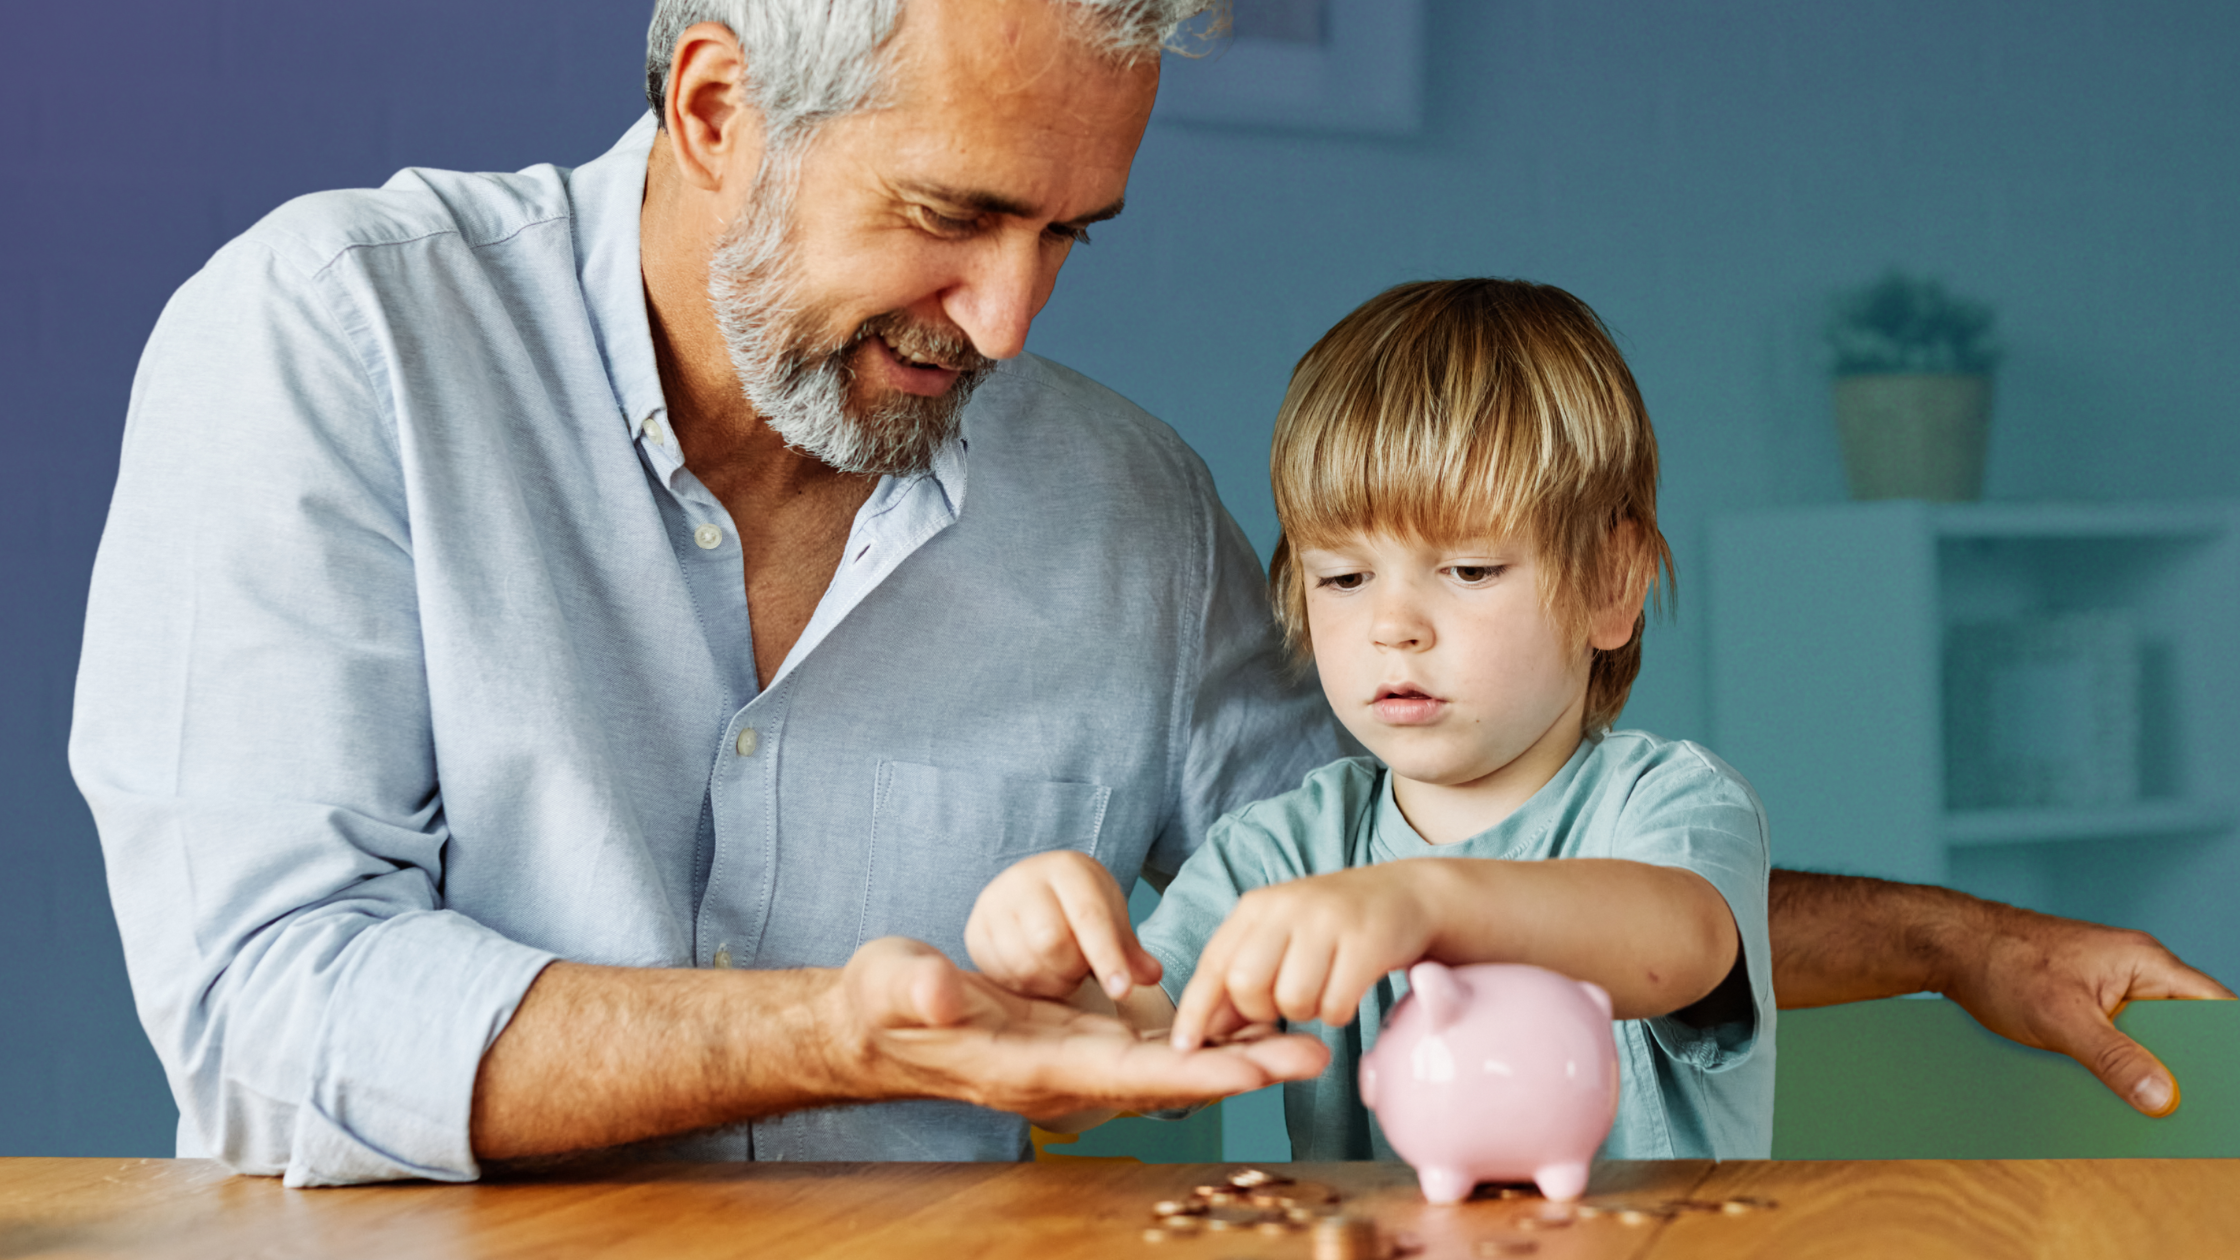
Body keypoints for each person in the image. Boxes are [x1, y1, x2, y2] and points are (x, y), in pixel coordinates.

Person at [70, 0, 2227, 1188]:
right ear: (718, 101)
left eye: (1069, 237)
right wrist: (836, 1034)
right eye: (954, 214)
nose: (1007, 325)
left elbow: (1438, 869)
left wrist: (1949, 940)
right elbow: (276, 1004)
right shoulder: (330, 347)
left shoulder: (1106, 495)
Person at [968, 278, 1776, 1175]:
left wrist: (1426, 903)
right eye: (1344, 579)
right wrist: (1058, 989)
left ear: (1612, 585)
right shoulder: (1278, 850)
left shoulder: (1670, 804)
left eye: (1469, 569)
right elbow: (1135, 1051)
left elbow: (1683, 946)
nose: (1393, 626)